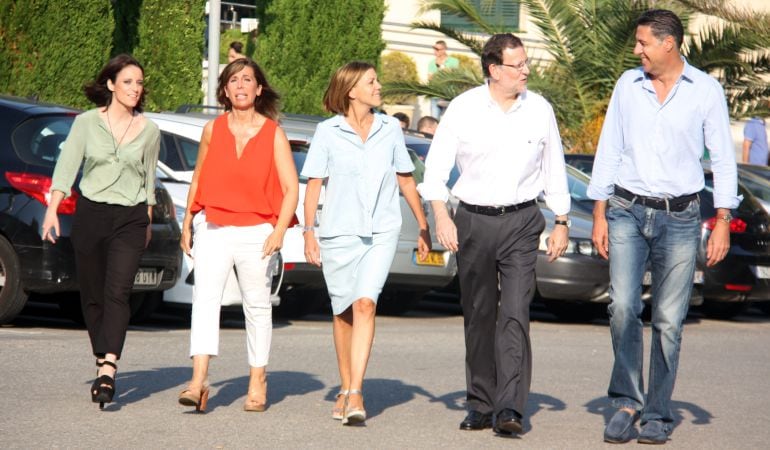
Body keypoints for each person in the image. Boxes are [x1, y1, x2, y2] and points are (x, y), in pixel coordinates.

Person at [587, 9, 739, 445]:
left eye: (643, 43)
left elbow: (722, 160)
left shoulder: (706, 91)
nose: (636, 51)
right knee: (622, 308)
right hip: (626, 209)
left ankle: (657, 412)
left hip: (681, 217)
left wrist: (724, 220)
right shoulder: (627, 86)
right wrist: (598, 211)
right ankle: (625, 402)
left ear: (668, 43)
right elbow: (609, 147)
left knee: (670, 320)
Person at [418, 33, 570, 435]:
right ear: (494, 69)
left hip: (522, 222)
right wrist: (441, 216)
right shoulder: (464, 109)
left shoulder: (539, 110)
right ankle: (481, 403)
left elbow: (555, 167)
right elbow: (434, 170)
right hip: (472, 221)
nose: (526, 71)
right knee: (480, 315)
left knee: (516, 313)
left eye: (525, 64)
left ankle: (510, 409)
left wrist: (562, 220)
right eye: (517, 65)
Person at [302, 61, 431, 426]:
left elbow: (405, 180)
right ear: (351, 90)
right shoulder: (327, 132)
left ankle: (356, 390)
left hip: (381, 231)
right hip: (338, 234)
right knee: (343, 312)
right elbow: (314, 185)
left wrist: (423, 226)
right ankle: (345, 387)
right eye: (371, 82)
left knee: (365, 304)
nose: (378, 86)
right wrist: (309, 231)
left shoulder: (391, 129)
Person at [177, 58, 299, 413]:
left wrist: (279, 231)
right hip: (214, 225)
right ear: (225, 91)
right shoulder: (212, 130)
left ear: (259, 89)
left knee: (257, 307)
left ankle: (257, 379)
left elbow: (291, 188)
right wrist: (188, 221)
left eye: (248, 79)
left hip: (258, 231)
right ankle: (198, 381)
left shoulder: (273, 133)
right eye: (234, 80)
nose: (241, 85)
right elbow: (198, 178)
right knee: (205, 301)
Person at [41, 54, 160, 409]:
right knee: (91, 294)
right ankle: (100, 354)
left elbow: (149, 177)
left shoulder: (150, 130)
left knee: (118, 292)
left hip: (131, 218)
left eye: (139, 83)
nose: (135, 89)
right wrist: (51, 210)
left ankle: (108, 367)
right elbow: (67, 167)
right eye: (127, 82)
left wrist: (149, 219)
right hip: (91, 214)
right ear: (110, 84)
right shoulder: (86, 123)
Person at [427, 40, 460, 118]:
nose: (435, 51)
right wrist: (443, 71)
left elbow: (454, 76)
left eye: (437, 49)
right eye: (434, 48)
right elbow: (430, 78)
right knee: (434, 119)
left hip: (448, 96)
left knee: (448, 120)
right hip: (435, 96)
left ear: (444, 50)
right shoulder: (432, 63)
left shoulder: (454, 62)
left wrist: (439, 73)